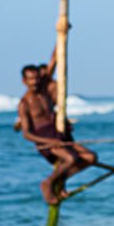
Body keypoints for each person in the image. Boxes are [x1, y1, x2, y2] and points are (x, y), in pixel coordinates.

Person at [18, 47, 98, 205]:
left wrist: (61, 33)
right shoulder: (24, 103)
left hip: (58, 133)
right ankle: (48, 183)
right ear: (24, 81)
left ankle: (59, 181)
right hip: (45, 140)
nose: (34, 82)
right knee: (70, 158)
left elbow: (54, 61)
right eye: (31, 79)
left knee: (91, 157)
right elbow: (26, 133)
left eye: (36, 78)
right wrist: (49, 142)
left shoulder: (44, 91)